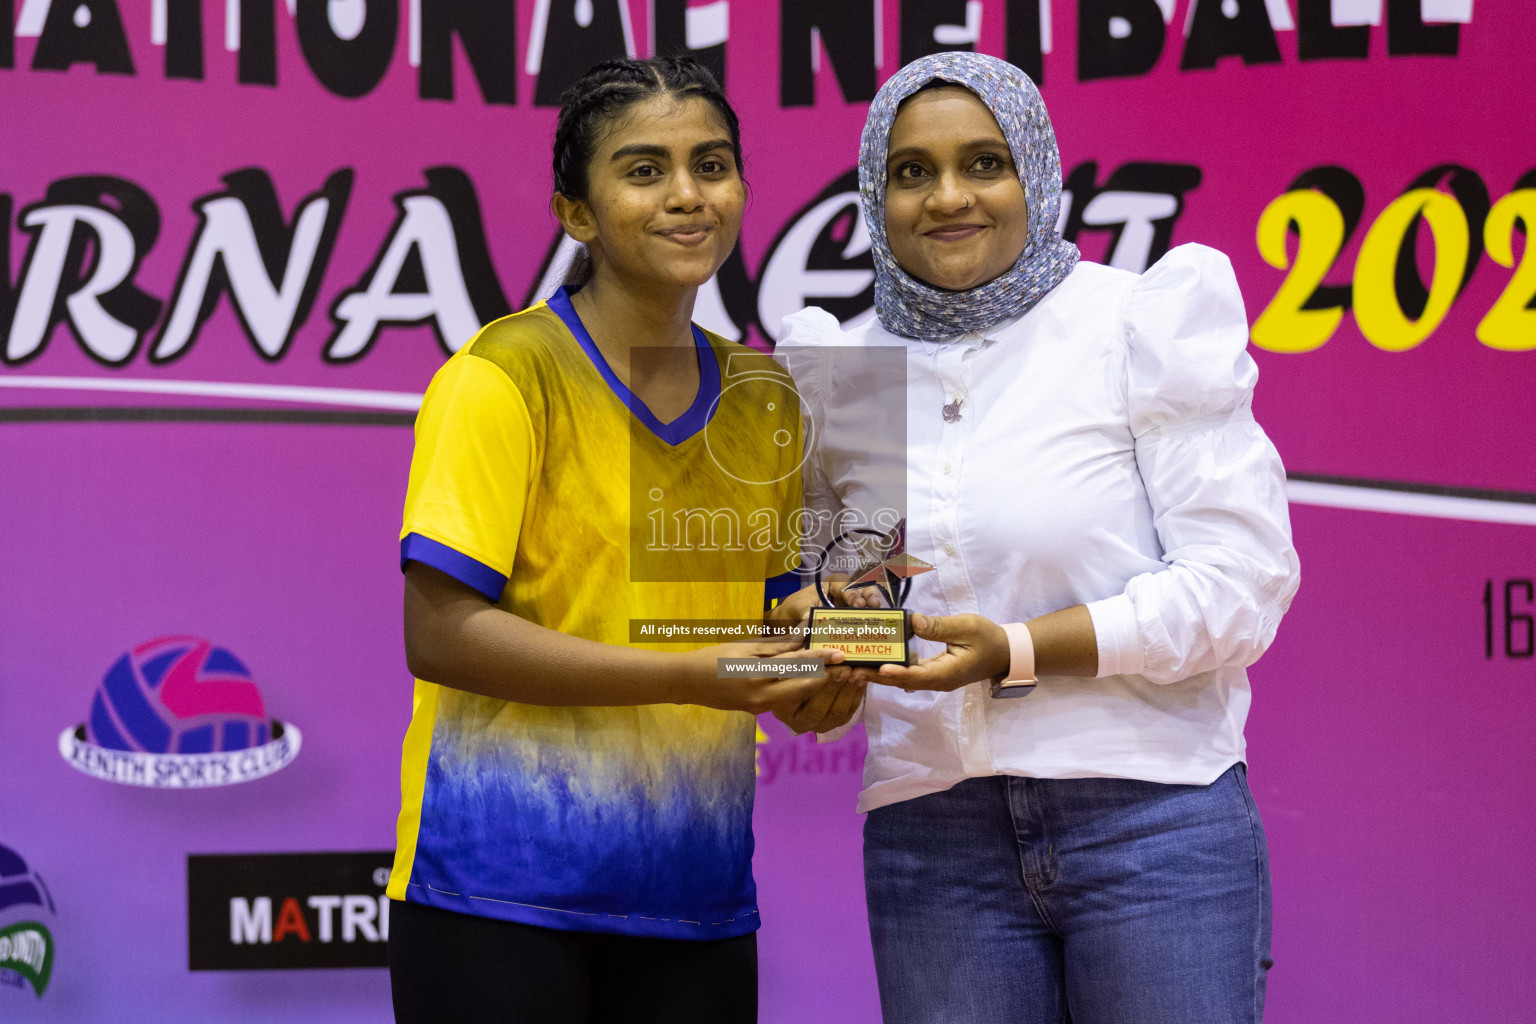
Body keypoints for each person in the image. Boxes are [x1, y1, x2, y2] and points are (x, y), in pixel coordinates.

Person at [774, 52, 1301, 1024]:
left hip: (1153, 820)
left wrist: (1014, 650)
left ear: (1038, 171)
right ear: (871, 195)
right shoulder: (835, 368)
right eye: (911, 172)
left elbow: (1241, 586)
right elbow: (844, 614)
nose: (948, 197)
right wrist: (814, 657)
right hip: (932, 839)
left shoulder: (1132, 323)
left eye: (985, 162)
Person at [385, 57, 845, 1024]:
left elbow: (773, 616)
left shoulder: (766, 397)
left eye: (711, 165)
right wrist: (696, 675)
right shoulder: (503, 374)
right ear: (576, 214)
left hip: (698, 901)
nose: (687, 195)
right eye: (644, 170)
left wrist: (834, 664)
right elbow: (440, 634)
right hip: (498, 895)